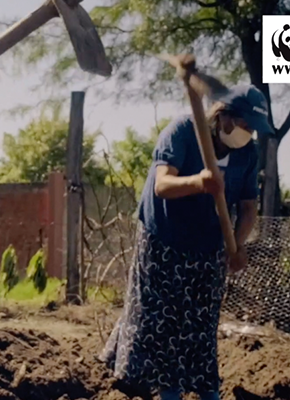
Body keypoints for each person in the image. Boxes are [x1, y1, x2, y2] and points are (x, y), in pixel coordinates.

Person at [99, 85, 272, 400]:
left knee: (201, 321)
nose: (249, 134)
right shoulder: (183, 131)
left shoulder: (248, 153)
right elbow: (162, 185)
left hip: (209, 241)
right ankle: (167, 389)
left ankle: (206, 390)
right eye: (246, 126)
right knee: (161, 316)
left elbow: (248, 207)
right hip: (164, 236)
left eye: (253, 129)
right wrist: (199, 182)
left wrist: (237, 244)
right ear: (225, 117)